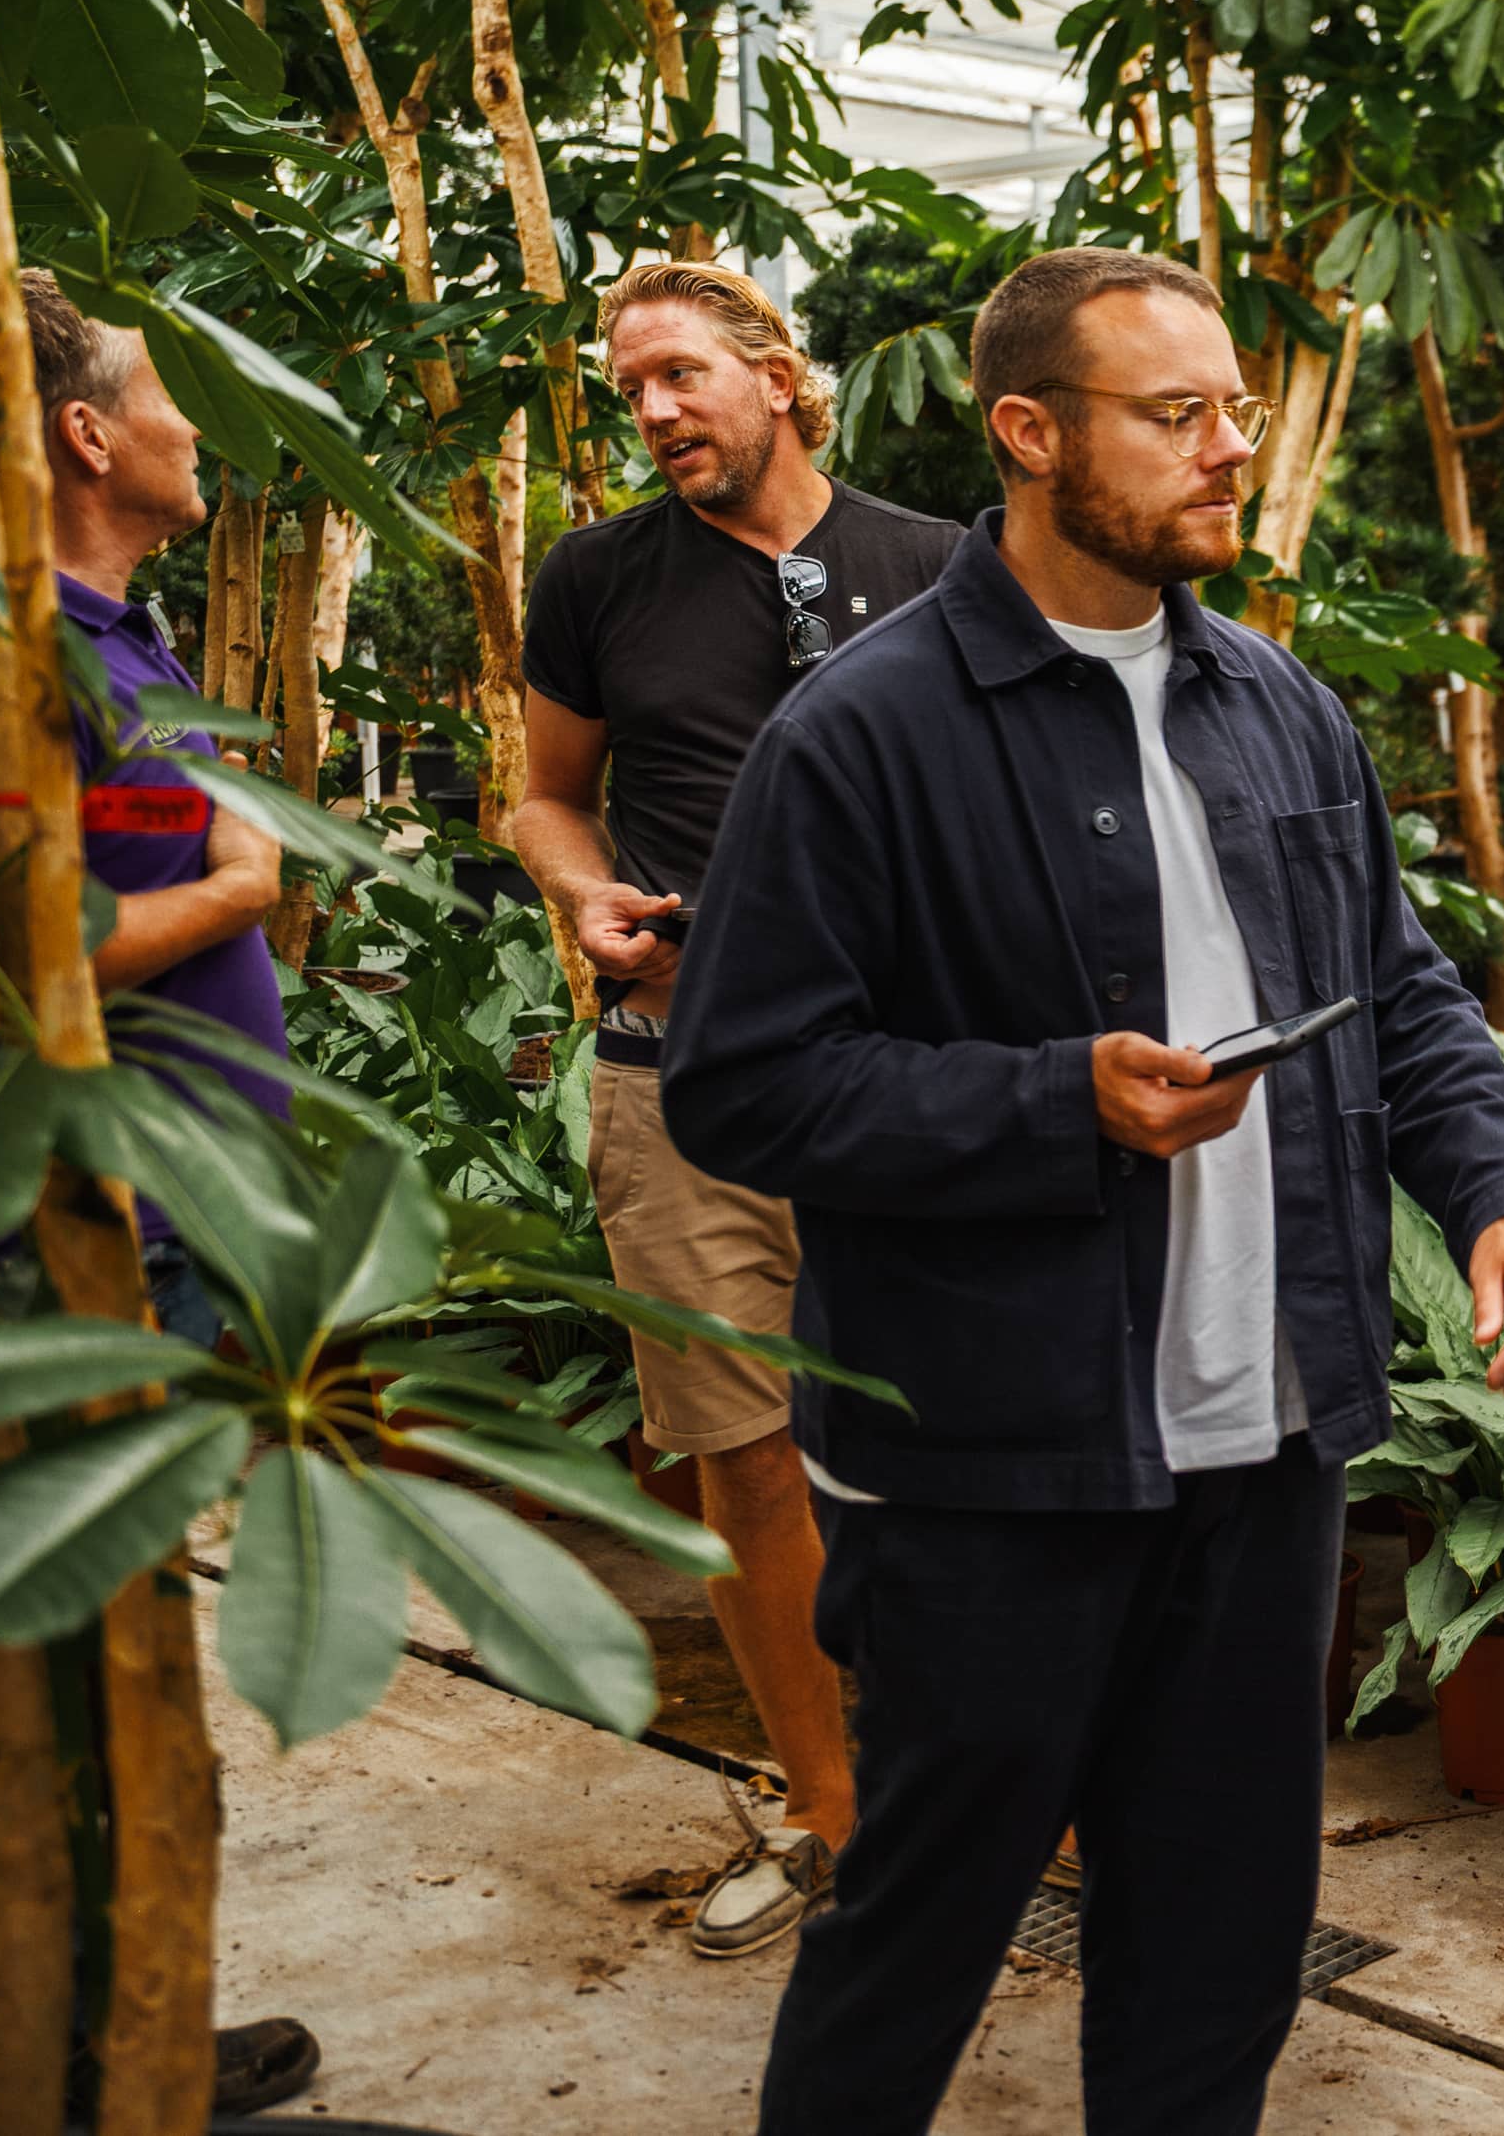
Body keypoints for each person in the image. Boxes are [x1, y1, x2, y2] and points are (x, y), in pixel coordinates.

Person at [659, 243, 1504, 2135]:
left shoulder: (1280, 709)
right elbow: (741, 1084)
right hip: (996, 1465)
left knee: (1223, 1936)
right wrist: (1051, 1104)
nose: (1230, 451)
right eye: (1178, 417)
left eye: (1232, 410)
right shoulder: (859, 737)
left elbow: (1399, 990)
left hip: (1268, 1450)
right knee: (923, 1917)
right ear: (1027, 433)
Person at [0, 266, 318, 2120]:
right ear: (86, 434)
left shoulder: (104, 635)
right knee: (20, 1702)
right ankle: (7, 2077)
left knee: (108, 1674)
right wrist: (237, 895)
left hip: (155, 1237)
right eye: (168, 398)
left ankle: (113, 2028)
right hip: (63, 1246)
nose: (192, 431)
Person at [507, 258, 962, 1957]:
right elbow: (545, 799)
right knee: (745, 1465)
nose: (654, 412)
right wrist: (584, 893)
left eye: (683, 375)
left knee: (955, 1443)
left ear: (781, 378)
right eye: (631, 388)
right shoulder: (597, 579)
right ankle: (834, 1814)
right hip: (680, 1081)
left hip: (914, 1088)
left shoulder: (938, 564)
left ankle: (996, 1781)